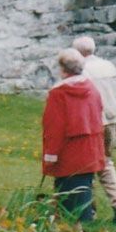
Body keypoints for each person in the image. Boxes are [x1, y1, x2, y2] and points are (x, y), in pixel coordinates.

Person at [41, 48, 107, 222]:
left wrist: (50, 155)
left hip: (69, 152)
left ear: (62, 69)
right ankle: (83, 226)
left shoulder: (59, 93)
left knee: (68, 194)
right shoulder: (92, 88)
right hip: (90, 149)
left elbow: (54, 127)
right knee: (84, 187)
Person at [74, 35, 116, 222]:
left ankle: (90, 209)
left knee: (86, 165)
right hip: (112, 119)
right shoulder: (108, 66)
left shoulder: (81, 70)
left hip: (94, 121)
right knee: (106, 162)